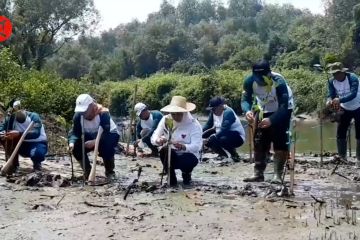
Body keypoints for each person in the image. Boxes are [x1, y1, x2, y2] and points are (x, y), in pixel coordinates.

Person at [241, 60, 294, 183]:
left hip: (283, 109)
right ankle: (258, 173)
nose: (260, 80)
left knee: (280, 140)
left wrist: (272, 119)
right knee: (259, 139)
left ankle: (278, 175)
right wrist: (247, 111)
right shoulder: (249, 81)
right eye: (257, 77)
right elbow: (245, 99)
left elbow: (283, 106)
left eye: (263, 77)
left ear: (269, 74)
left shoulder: (279, 82)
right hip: (263, 108)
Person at [151, 96, 202, 186]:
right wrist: (158, 140)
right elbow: (154, 137)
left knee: (188, 163)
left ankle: (187, 174)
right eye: (173, 114)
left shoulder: (193, 124)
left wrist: (183, 146)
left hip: (189, 155)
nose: (175, 117)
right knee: (164, 150)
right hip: (171, 153)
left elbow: (197, 146)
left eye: (179, 114)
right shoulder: (167, 119)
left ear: (184, 112)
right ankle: (171, 178)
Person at [68, 94, 120, 179]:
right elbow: (75, 133)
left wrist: (95, 142)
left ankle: (110, 171)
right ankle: (87, 171)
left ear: (92, 106)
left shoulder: (103, 114)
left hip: (109, 135)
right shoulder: (78, 116)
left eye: (85, 110)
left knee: (107, 146)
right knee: (76, 146)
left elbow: (106, 133)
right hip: (90, 136)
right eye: (81, 111)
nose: (83, 113)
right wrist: (71, 143)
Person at [326, 62, 360, 167]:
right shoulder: (332, 82)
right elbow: (331, 94)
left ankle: (359, 159)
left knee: (359, 133)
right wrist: (329, 100)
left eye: (337, 73)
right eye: (334, 74)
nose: (335, 76)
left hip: (358, 106)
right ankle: (342, 157)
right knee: (341, 132)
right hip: (345, 108)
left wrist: (340, 99)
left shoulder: (352, 78)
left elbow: (353, 94)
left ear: (343, 72)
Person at [0, 101, 48, 172]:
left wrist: (19, 133)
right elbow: (2, 128)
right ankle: (13, 164)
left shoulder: (34, 116)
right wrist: (2, 133)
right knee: (5, 138)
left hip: (37, 143)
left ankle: (37, 164)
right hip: (21, 144)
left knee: (36, 154)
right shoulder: (11, 118)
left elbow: (35, 133)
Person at [202, 96, 245, 162]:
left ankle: (234, 155)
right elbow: (208, 125)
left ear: (220, 106)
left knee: (220, 138)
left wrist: (210, 138)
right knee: (207, 139)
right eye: (211, 110)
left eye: (214, 109)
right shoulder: (213, 113)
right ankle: (223, 155)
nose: (213, 111)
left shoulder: (228, 112)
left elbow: (224, 130)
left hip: (237, 138)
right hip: (223, 134)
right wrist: (199, 134)